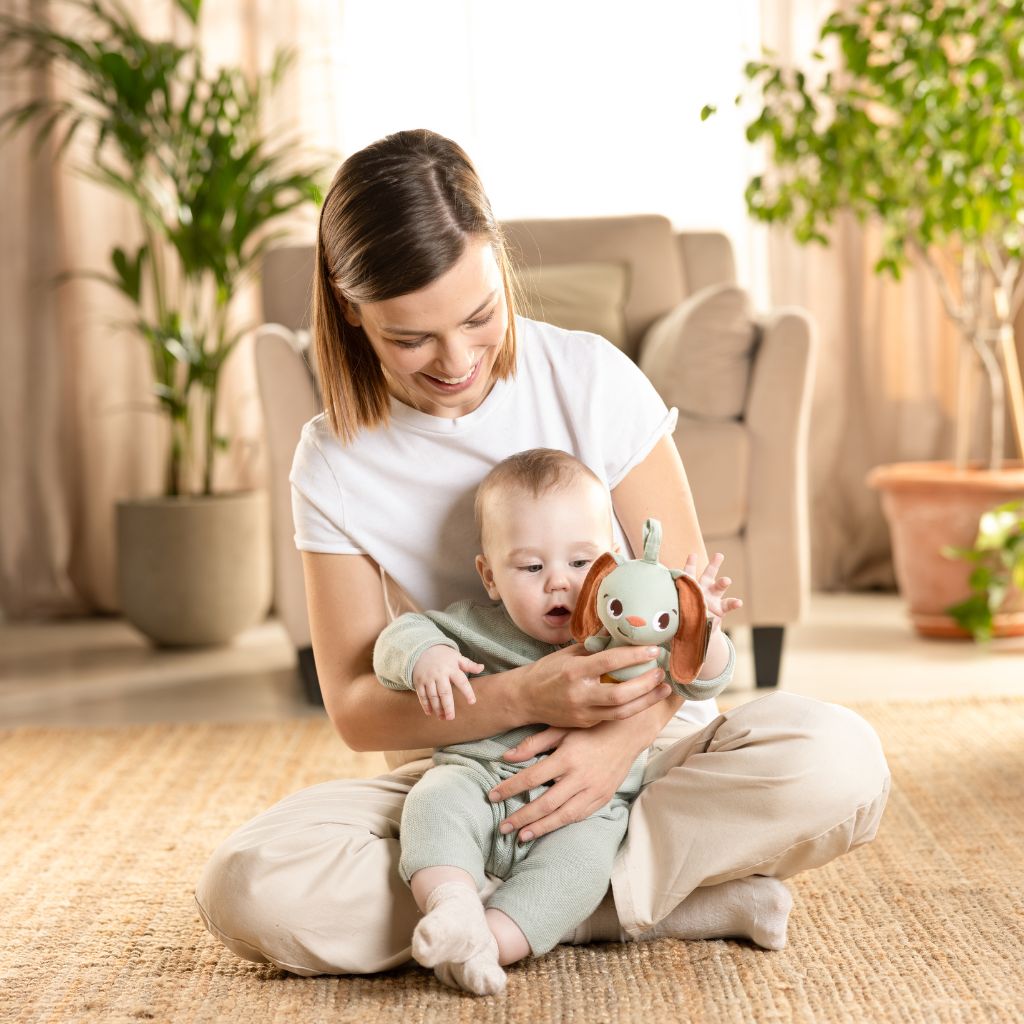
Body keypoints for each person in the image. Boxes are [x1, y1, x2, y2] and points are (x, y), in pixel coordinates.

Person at [193, 128, 891, 979]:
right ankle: (624, 902)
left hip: (651, 759)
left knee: (840, 760)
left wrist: (610, 749)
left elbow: (683, 619)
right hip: (470, 783)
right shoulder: (335, 458)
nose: (457, 361)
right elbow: (354, 707)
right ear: (349, 308)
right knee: (249, 884)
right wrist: (523, 695)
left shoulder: (591, 378)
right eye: (411, 338)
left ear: (499, 265)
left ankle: (517, 911)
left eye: (480, 316)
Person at [373, 449, 742, 994]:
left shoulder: (631, 637)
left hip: (588, 811)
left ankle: (488, 944)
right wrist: (427, 656)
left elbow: (705, 680)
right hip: (479, 781)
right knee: (431, 803)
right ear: (490, 576)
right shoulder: (476, 626)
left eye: (581, 563)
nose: (559, 584)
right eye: (531, 567)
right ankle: (451, 904)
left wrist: (699, 629)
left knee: (581, 870)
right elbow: (398, 635)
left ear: (611, 566)